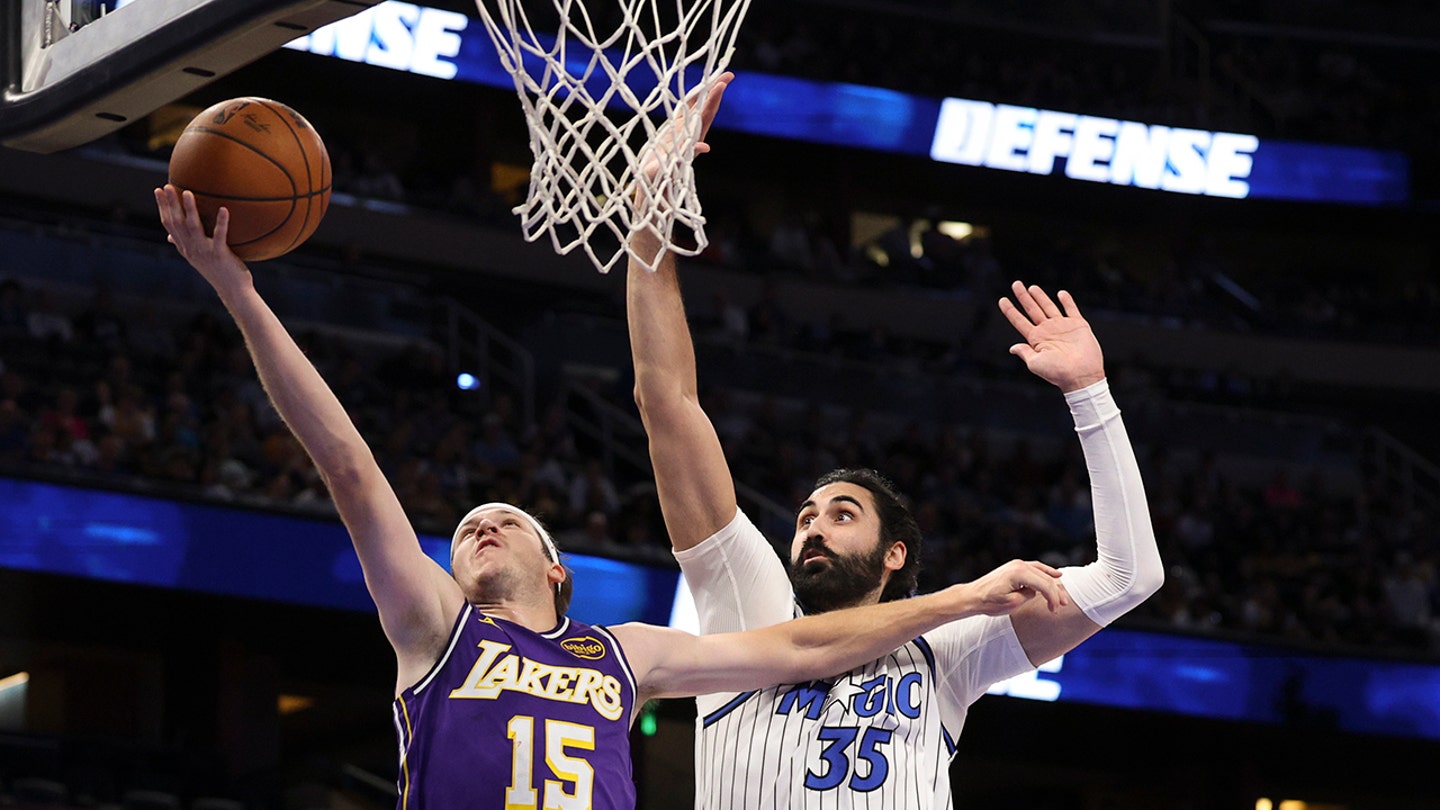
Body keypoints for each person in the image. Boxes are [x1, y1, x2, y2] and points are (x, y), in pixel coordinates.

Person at [154, 185, 1075, 810]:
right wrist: (240, 292)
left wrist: (957, 601)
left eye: (506, 520)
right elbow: (349, 465)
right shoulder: (433, 628)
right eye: (468, 527)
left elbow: (799, 646)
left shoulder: (625, 653)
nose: (482, 523)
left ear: (556, 571)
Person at [626, 73, 1163, 808]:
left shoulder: (946, 651)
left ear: (895, 554)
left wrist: (1089, 392)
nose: (812, 527)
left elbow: (1131, 578)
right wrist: (648, 228)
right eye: (806, 517)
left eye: (842, 514)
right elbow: (668, 403)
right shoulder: (749, 605)